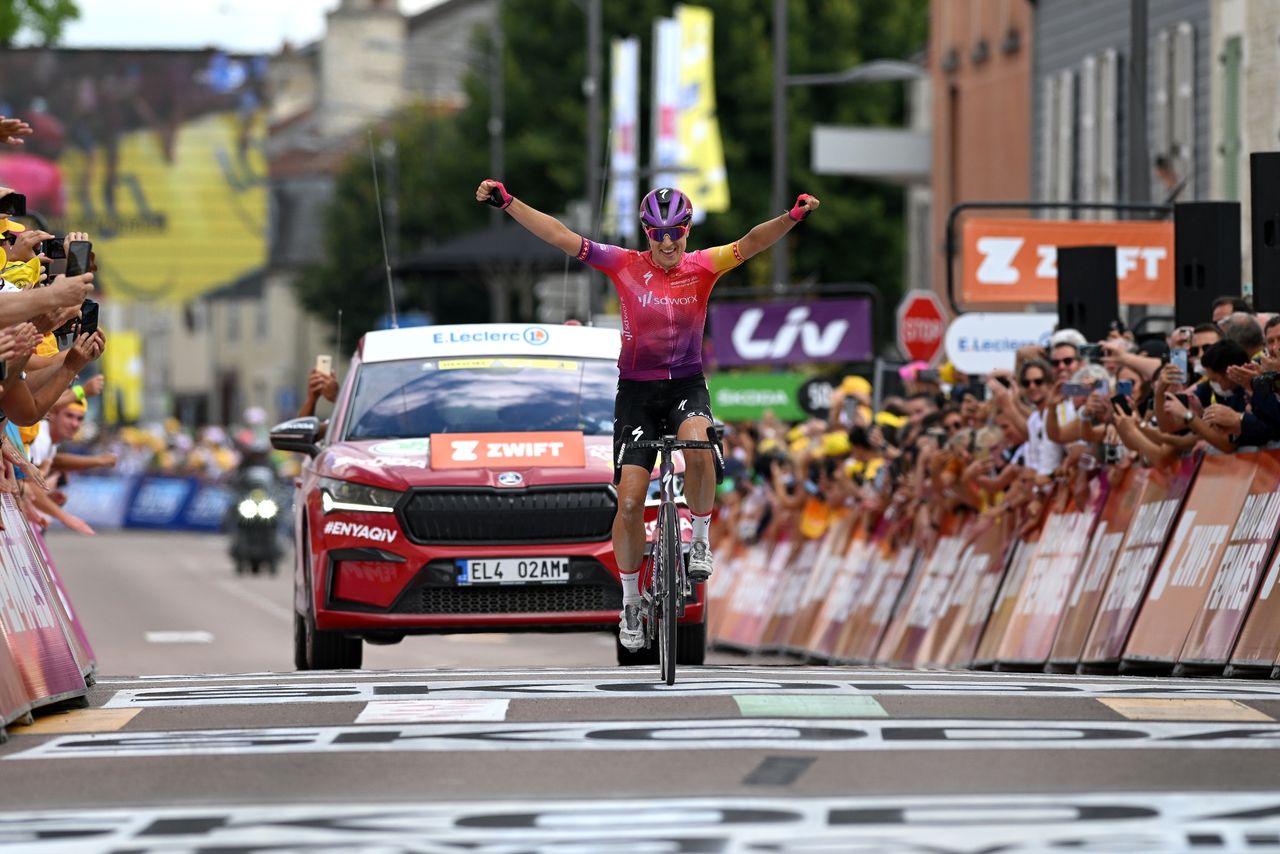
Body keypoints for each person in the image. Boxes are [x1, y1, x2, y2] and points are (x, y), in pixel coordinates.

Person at [475, 178, 821, 651]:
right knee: (632, 500)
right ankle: (632, 600)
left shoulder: (703, 266)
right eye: (656, 233)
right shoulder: (623, 264)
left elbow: (752, 242)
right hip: (636, 392)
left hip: (685, 385)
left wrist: (792, 217)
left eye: (674, 232)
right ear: (644, 231)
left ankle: (699, 539)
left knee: (698, 444)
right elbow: (560, 235)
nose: (665, 242)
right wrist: (509, 202)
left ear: (687, 231)